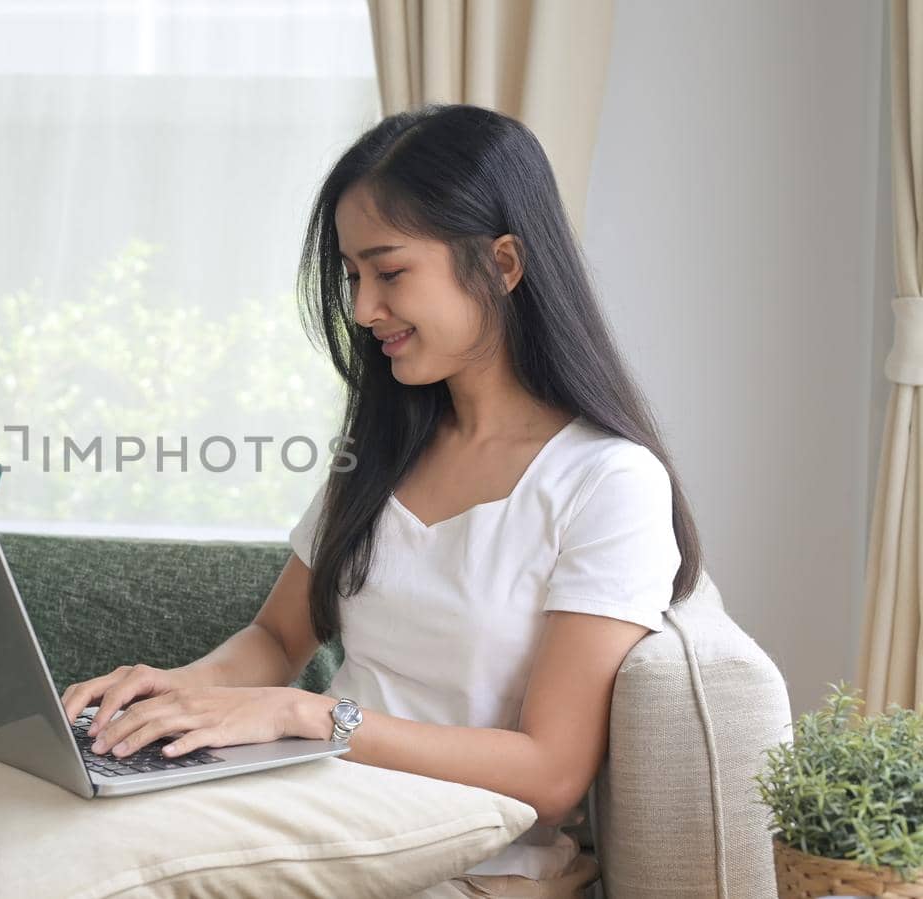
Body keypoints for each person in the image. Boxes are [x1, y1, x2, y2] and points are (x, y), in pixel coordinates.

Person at [58, 103, 704, 899]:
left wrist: (306, 719)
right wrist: (177, 695)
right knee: (20, 822)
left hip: (461, 855)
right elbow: (276, 635)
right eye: (354, 276)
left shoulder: (606, 482)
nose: (364, 310)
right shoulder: (383, 452)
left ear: (502, 263)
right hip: (317, 812)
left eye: (390, 272)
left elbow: (552, 771)